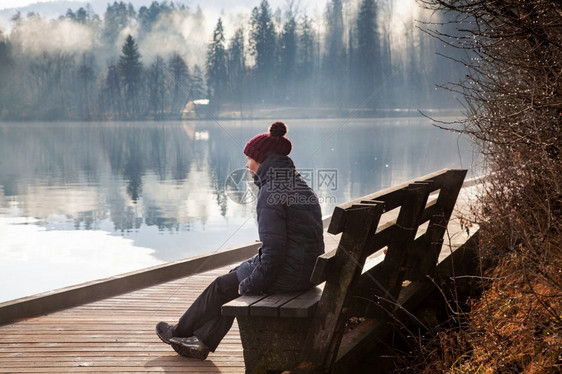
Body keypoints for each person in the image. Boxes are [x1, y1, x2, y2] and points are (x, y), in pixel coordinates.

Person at [156, 121, 325, 360]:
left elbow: (274, 254)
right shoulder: (299, 184)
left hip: (290, 276)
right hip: (306, 271)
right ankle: (201, 341)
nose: (247, 164)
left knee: (224, 286)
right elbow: (286, 245)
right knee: (234, 276)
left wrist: (248, 284)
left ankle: (180, 332)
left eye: (250, 159)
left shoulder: (271, 192)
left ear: (263, 161)